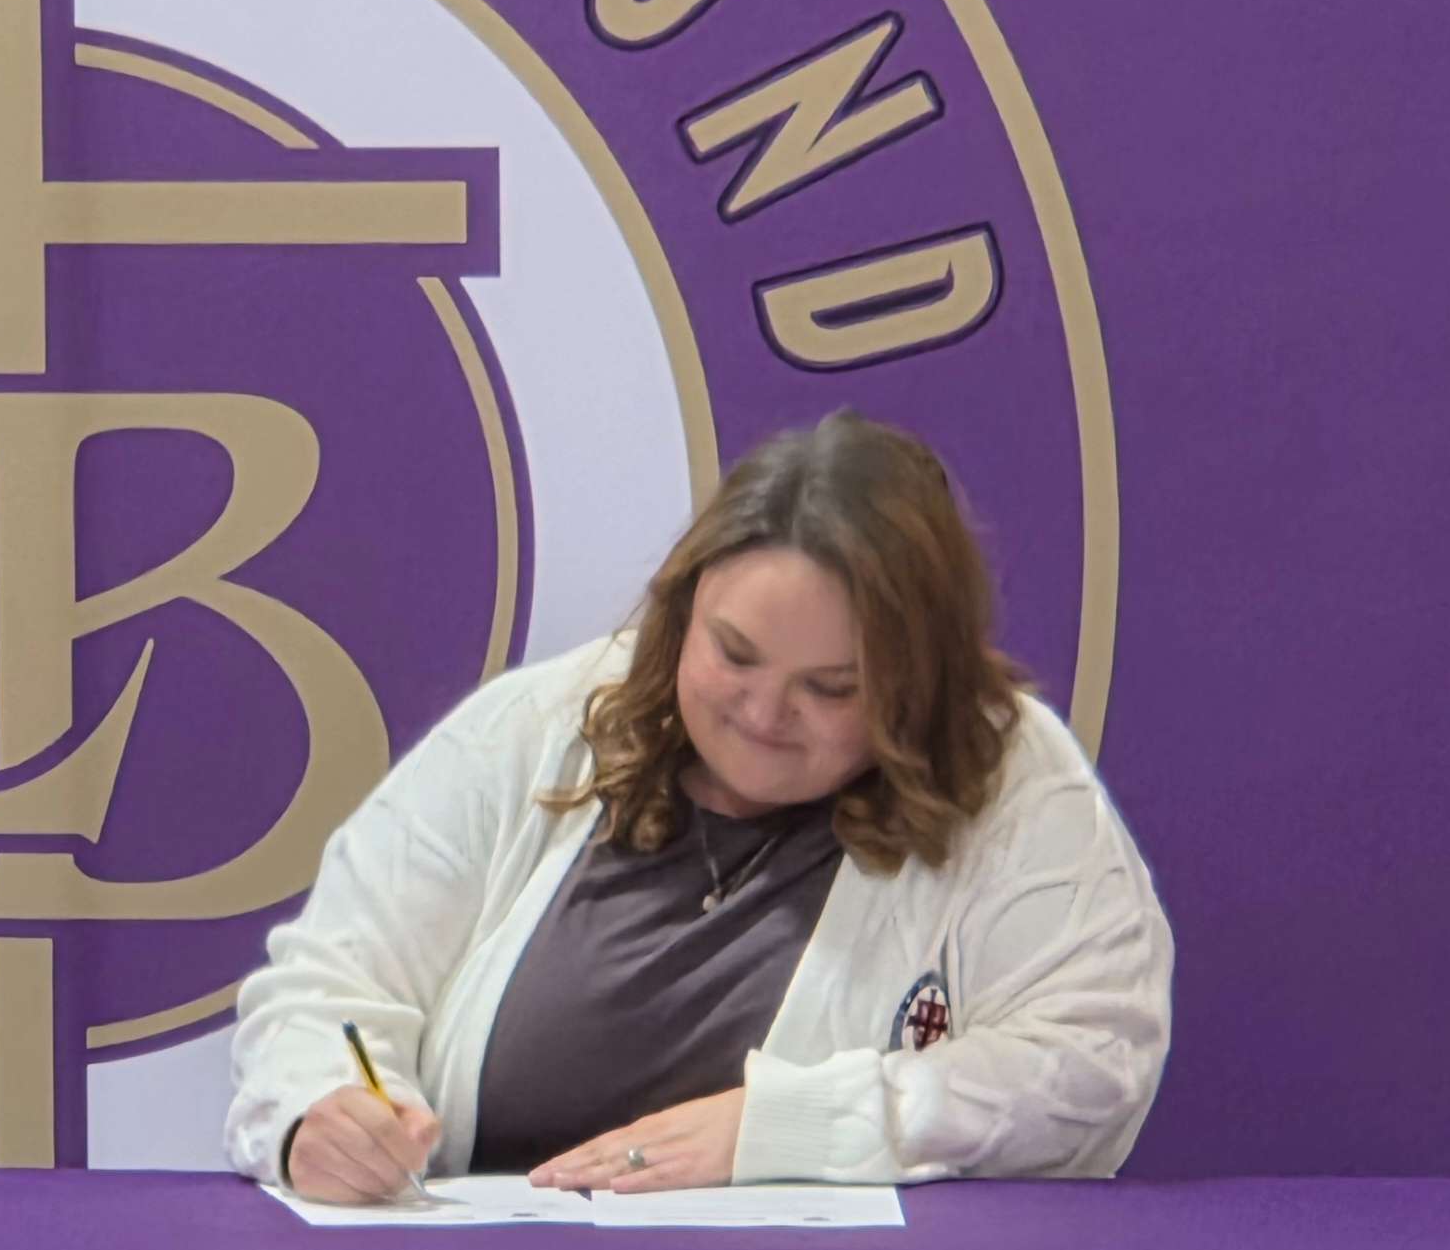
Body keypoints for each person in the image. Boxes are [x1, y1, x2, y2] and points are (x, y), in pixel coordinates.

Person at [230, 411, 1168, 1202]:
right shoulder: (537, 726)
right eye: (734, 654)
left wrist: (790, 1129)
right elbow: (327, 992)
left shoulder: (1003, 771)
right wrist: (321, 1114)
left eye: (832, 688)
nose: (764, 715)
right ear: (680, 613)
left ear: (919, 688)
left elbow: (1093, 1064)